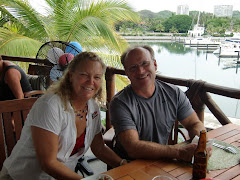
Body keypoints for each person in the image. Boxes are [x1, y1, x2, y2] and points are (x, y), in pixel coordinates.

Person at [0, 51, 127, 180]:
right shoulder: (50, 105)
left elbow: (99, 148)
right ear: (71, 76)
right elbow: (48, 163)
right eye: (84, 75)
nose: (91, 81)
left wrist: (122, 163)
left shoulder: (92, 108)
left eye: (97, 77)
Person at [110, 45, 211, 162]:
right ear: (127, 72)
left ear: (155, 65)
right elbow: (133, 148)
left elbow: (193, 123)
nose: (140, 71)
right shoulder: (120, 103)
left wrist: (201, 143)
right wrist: (179, 152)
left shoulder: (174, 93)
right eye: (133, 67)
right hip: (130, 165)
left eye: (145, 63)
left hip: (162, 160)